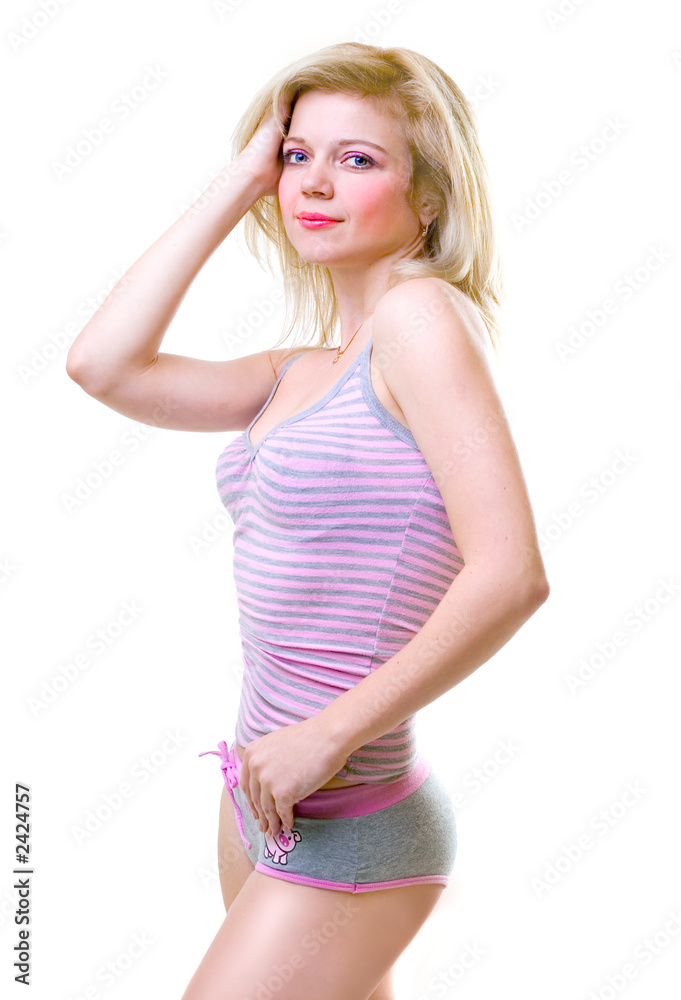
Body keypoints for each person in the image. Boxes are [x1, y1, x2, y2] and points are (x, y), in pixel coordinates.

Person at [66, 40, 550, 1000]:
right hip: (259, 798)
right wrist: (241, 178)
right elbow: (102, 365)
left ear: (428, 198)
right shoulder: (297, 371)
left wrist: (326, 737)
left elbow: (510, 574)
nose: (314, 184)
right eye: (298, 156)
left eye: (357, 158)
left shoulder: (419, 320)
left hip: (350, 814)